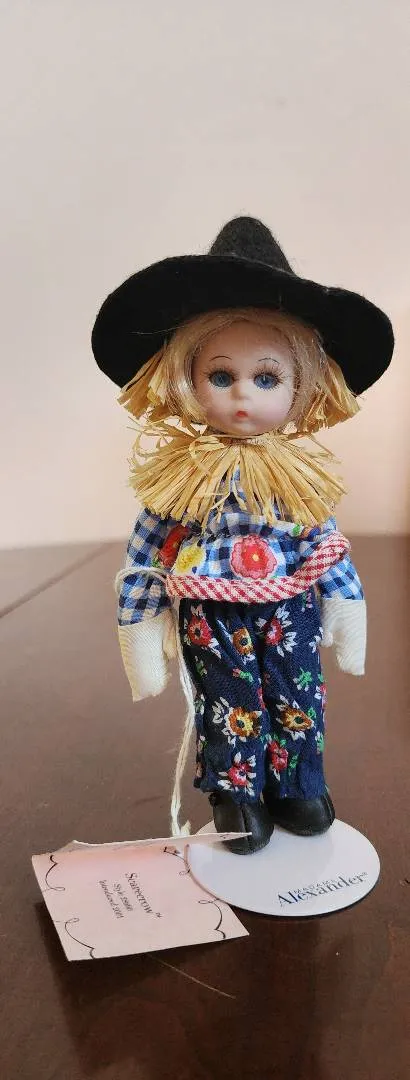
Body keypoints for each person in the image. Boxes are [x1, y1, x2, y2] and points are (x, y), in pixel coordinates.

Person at [92, 216, 394, 854]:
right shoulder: (183, 474)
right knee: (226, 699)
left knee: (297, 689)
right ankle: (238, 794)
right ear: (186, 378)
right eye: (221, 376)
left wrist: (346, 602)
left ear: (302, 384)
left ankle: (299, 784)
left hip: (289, 606)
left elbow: (321, 538)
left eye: (267, 378)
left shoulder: (296, 475)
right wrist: (140, 621)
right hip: (211, 611)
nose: (241, 398)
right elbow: (147, 549)